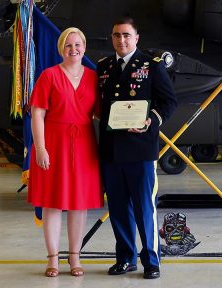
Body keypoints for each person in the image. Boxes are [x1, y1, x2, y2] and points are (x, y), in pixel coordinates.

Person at [97, 16, 177, 279]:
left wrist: (150, 120)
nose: (121, 40)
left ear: (136, 38)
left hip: (141, 150)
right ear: (112, 38)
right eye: (117, 35)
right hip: (111, 151)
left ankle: (151, 261)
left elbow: (169, 102)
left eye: (126, 35)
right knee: (118, 208)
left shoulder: (151, 65)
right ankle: (125, 258)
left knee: (144, 208)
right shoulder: (104, 66)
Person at [28, 27, 104, 277]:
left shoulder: (94, 77)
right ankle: (52, 258)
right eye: (68, 45)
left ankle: (75, 257)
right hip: (54, 143)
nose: (73, 49)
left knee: (78, 204)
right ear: (61, 49)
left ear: (84, 47)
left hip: (83, 144)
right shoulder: (49, 76)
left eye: (77, 44)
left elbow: (99, 113)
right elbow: (37, 113)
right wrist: (40, 148)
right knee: (52, 203)